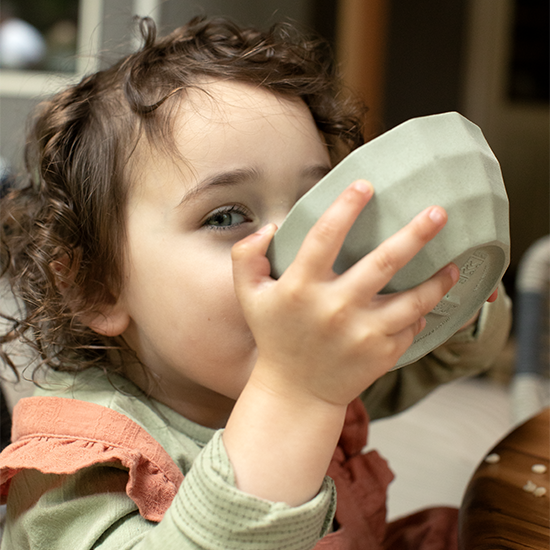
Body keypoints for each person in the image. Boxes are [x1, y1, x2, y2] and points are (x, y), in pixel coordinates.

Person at [0, 15, 510, 550]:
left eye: (317, 205)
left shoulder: (298, 356)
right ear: (95, 286)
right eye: (225, 216)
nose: (300, 249)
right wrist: (297, 394)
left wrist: (445, 289)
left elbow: (448, 357)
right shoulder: (82, 463)